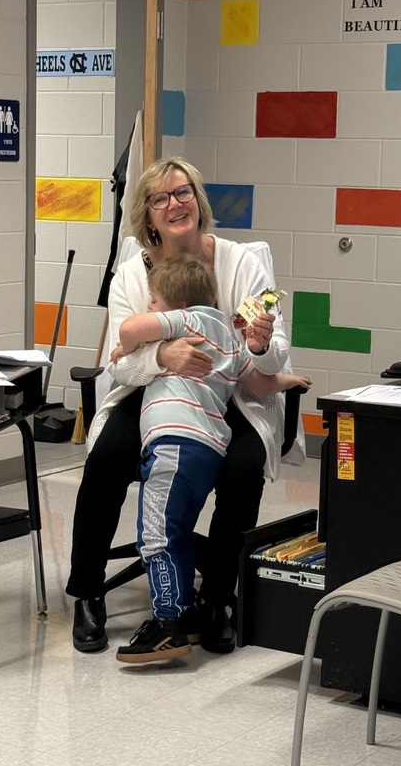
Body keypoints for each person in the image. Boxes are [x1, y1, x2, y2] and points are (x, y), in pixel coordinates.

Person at [66, 156, 304, 654]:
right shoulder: (132, 276)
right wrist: (163, 355)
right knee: (108, 456)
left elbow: (269, 354)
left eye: (184, 192)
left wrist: (261, 345)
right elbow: (121, 364)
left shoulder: (241, 264)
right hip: (151, 393)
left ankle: (217, 599)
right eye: (160, 198)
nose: (175, 204)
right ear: (146, 216)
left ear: (199, 199)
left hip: (229, 392)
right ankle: (87, 590)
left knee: (242, 467)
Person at [110, 256, 311, 663]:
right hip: (209, 449)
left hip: (172, 441)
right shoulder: (229, 334)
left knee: (157, 534)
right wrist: (289, 380)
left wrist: (125, 347)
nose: (148, 307)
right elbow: (258, 382)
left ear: (171, 303)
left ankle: (168, 626)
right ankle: (184, 613)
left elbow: (130, 328)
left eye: (152, 301)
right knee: (177, 531)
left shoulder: (183, 321)